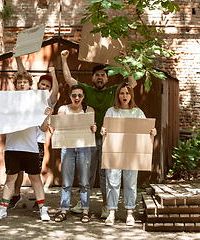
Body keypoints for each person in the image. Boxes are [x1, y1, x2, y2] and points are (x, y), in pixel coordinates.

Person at [60, 49, 137, 218]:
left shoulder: (113, 92)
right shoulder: (86, 90)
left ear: (107, 78)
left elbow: (132, 83)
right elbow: (68, 80)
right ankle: (83, 202)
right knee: (87, 173)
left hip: (110, 141)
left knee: (105, 174)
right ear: (93, 78)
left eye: (103, 75)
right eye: (97, 75)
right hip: (88, 139)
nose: (100, 78)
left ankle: (105, 205)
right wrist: (64, 59)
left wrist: (125, 61)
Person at [0, 68, 52, 221]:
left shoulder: (36, 100)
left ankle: (43, 209)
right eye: (19, 82)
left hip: (30, 147)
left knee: (35, 179)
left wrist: (45, 115)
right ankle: (3, 208)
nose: (22, 84)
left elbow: (43, 128)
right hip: (12, 147)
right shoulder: (8, 101)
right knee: (10, 179)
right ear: (16, 84)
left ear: (29, 84)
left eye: (25, 82)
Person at [8, 52, 59, 212]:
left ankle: (39, 202)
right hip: (22, 138)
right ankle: (15, 195)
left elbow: (56, 93)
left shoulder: (47, 100)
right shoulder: (30, 95)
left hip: (37, 141)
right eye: (42, 84)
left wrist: (53, 75)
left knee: (34, 173)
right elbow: (22, 75)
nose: (43, 87)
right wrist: (17, 57)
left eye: (47, 86)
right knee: (16, 172)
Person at [100, 82, 157, 226]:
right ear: (117, 95)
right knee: (112, 182)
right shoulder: (111, 111)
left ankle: (130, 212)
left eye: (127, 93)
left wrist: (152, 132)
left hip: (132, 154)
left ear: (131, 95)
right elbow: (105, 129)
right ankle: (111, 212)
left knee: (131, 183)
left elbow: (145, 131)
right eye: (121, 93)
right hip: (114, 153)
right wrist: (103, 132)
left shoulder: (137, 112)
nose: (124, 96)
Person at [51, 85, 96, 223]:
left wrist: (94, 129)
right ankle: (64, 210)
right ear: (70, 96)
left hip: (84, 148)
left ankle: (85, 211)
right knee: (66, 181)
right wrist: (53, 131)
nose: (77, 98)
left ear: (83, 97)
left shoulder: (89, 110)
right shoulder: (63, 110)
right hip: (67, 148)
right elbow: (57, 128)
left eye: (80, 95)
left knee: (84, 181)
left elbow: (92, 129)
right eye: (74, 95)